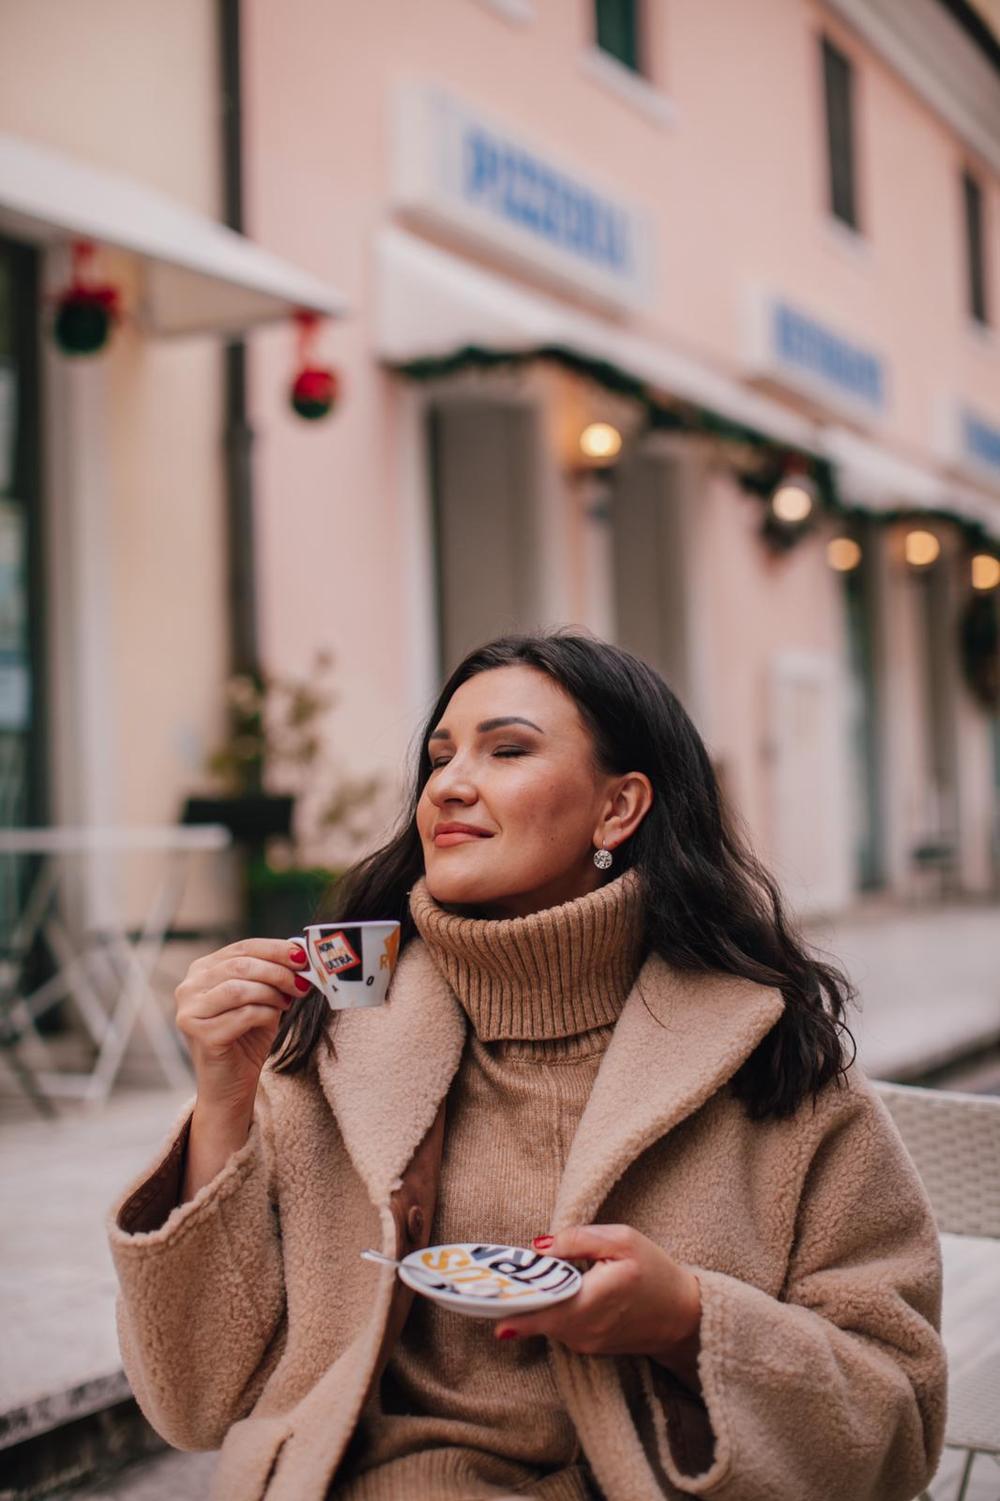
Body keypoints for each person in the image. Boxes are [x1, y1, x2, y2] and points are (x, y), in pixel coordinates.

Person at [109, 633, 946, 1501]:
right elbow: (196, 1401)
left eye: (506, 750)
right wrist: (223, 1102)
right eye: (440, 757)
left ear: (618, 809)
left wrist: (689, 1323)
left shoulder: (769, 1056)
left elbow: (898, 1424)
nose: (449, 784)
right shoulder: (339, 1033)